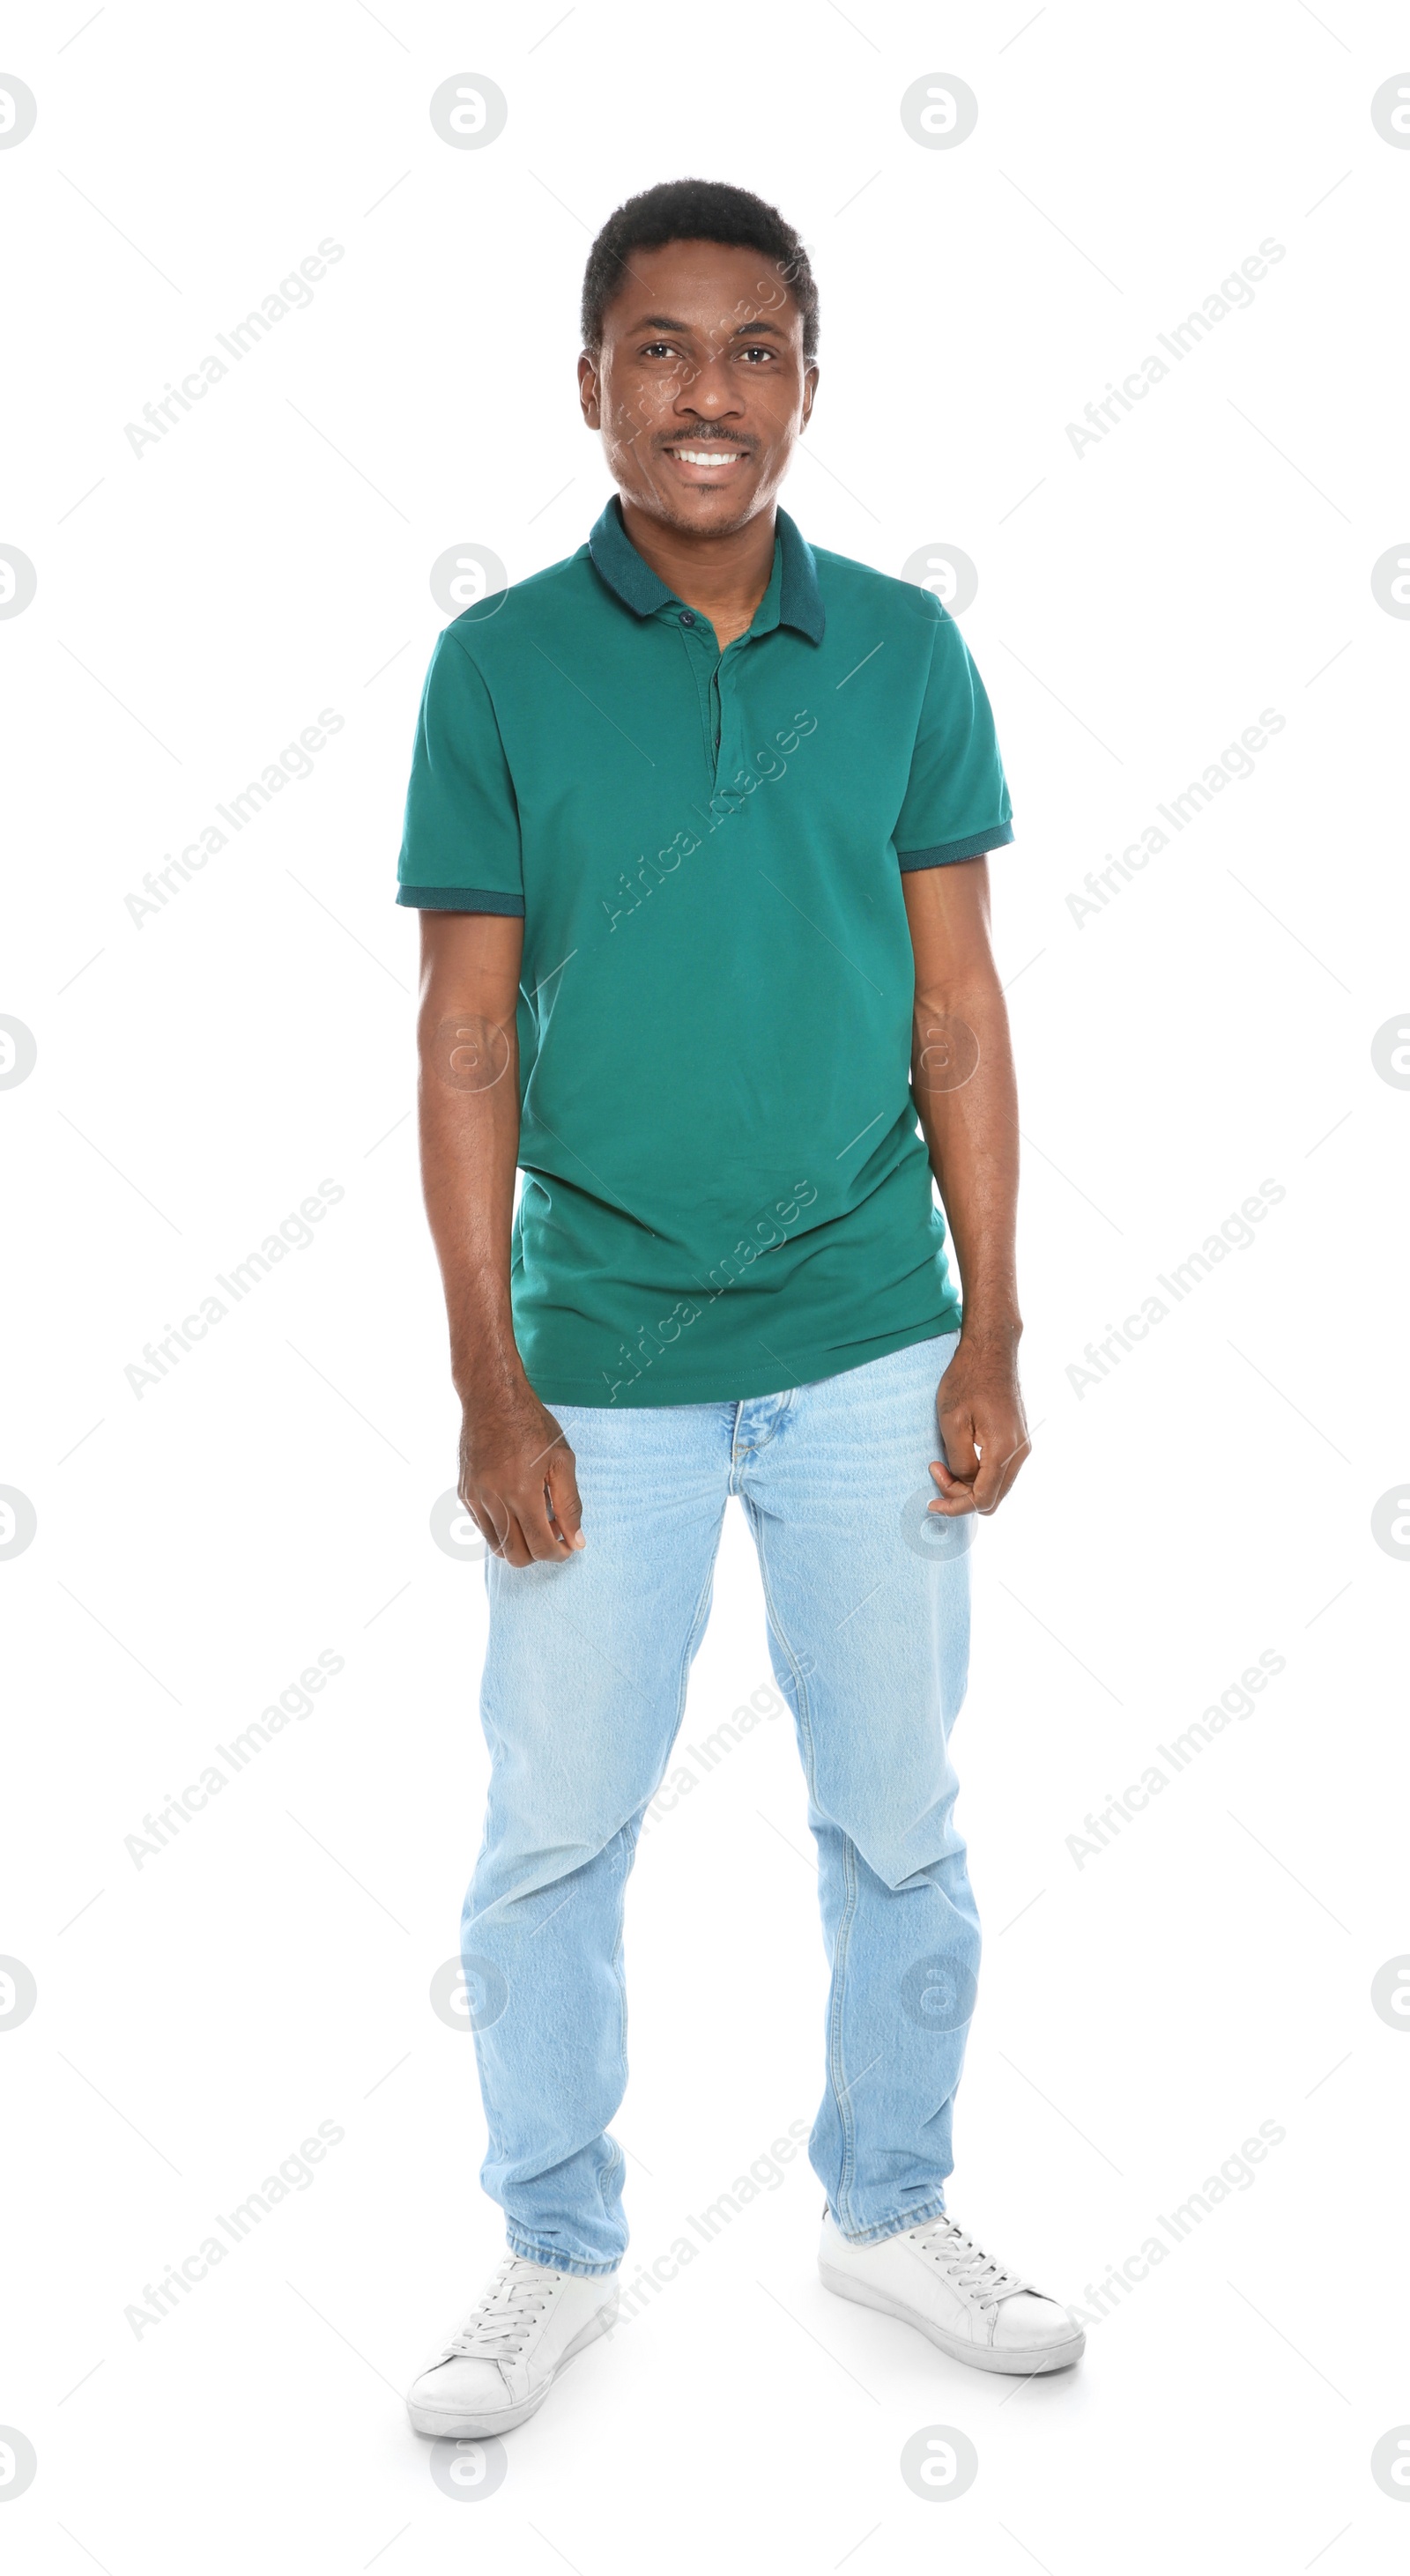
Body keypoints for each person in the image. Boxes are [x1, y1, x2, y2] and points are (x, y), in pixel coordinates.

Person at [397, 178, 1083, 2440]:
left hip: (872, 1336)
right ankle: (551, 2243)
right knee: (555, 1829)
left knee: (896, 1809)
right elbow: (464, 1036)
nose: (710, 395)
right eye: (663, 350)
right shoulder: (493, 667)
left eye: (754, 349)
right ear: (588, 382)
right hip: (597, 1358)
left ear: (806, 380)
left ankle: (886, 2208)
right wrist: (490, 1381)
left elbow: (959, 1016)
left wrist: (987, 1323)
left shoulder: (899, 647)